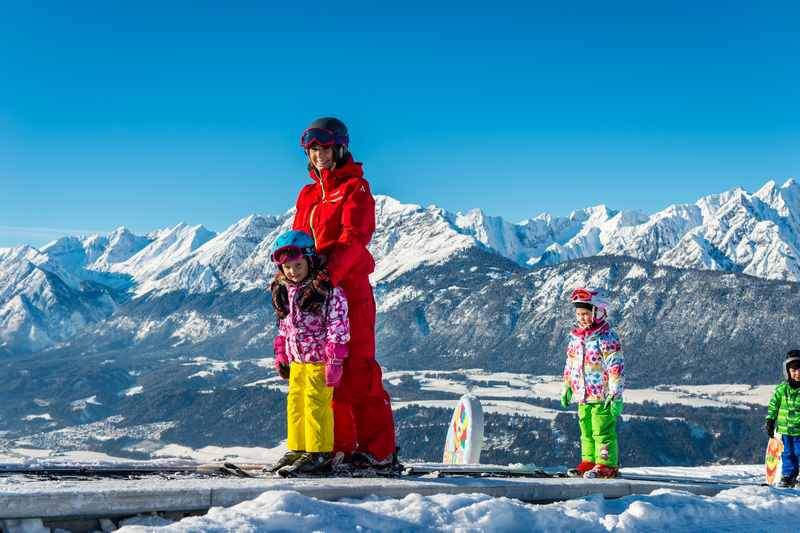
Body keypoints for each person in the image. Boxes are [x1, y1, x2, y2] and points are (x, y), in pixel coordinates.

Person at [272, 117, 396, 469]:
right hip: (313, 294)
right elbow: (298, 243)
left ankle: (378, 451)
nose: (319, 155)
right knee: (325, 376)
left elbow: (354, 240)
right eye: (313, 149)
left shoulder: (355, 188)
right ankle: (334, 447)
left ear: (339, 148)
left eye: (325, 148)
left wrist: (327, 278)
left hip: (348, 289)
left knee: (357, 370)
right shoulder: (308, 194)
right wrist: (284, 280)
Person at [269, 230, 350, 476]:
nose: (293, 271)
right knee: (295, 404)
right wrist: (282, 353)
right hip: (297, 361)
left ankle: (319, 453)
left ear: (310, 260)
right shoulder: (285, 291)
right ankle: (298, 448)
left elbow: (339, 325)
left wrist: (335, 359)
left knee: (316, 405)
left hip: (319, 360)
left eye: (297, 265)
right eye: (288, 267)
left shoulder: (326, 291)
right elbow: (284, 326)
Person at [560, 287, 624, 479]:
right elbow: (570, 363)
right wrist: (567, 386)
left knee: (602, 431)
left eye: (586, 313)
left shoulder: (606, 338)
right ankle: (588, 461)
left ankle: (606, 464)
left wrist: (615, 394)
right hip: (582, 395)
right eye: (579, 314)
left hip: (602, 396)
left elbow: (616, 367)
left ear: (599, 312)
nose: (582, 318)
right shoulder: (576, 338)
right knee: (586, 431)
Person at [765, 350, 800, 488]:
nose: (798, 373)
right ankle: (788, 476)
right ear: (787, 371)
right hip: (785, 430)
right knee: (788, 454)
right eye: (794, 370)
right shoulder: (782, 389)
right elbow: (774, 405)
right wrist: (770, 420)